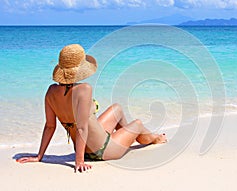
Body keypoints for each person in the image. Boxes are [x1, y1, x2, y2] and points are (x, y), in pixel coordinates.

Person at [16, 44, 167, 172]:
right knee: (139, 123)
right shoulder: (84, 89)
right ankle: (154, 138)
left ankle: (127, 138)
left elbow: (50, 127)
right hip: (103, 151)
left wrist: (39, 156)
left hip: (86, 147)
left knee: (117, 109)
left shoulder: (51, 92)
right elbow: (82, 128)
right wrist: (79, 161)